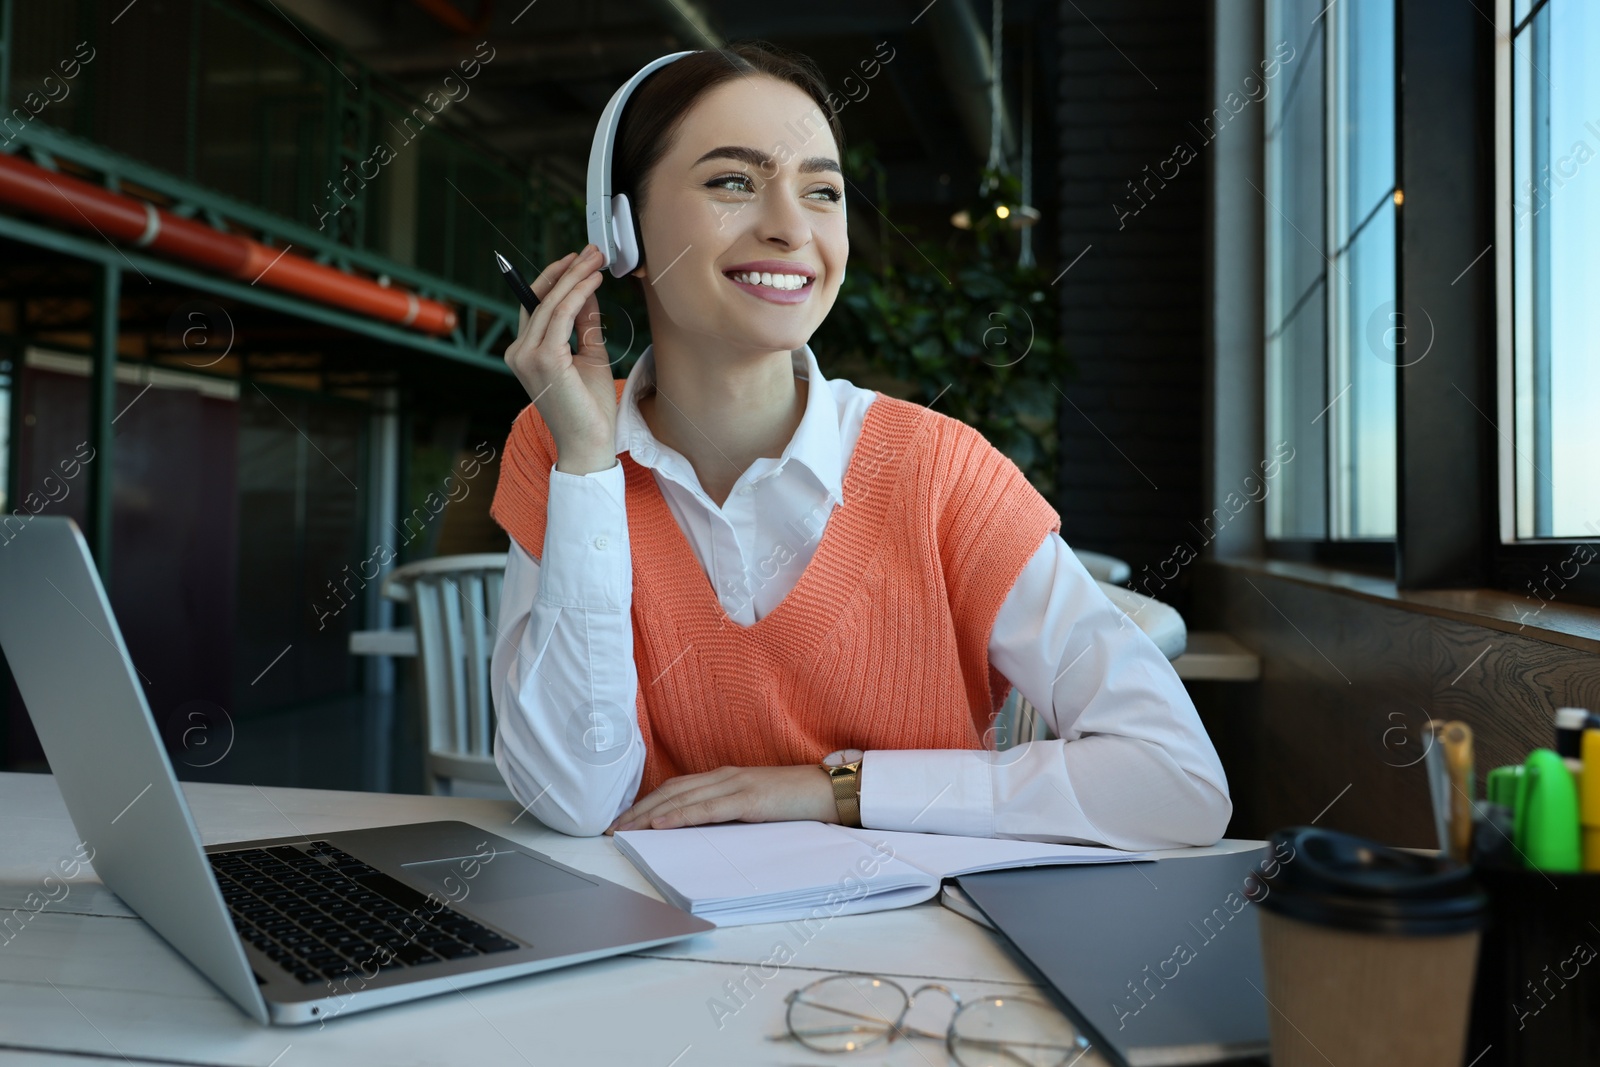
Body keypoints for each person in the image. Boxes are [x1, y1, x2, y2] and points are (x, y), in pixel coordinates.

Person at [487, 40, 1230, 850]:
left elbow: (1179, 781)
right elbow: (575, 797)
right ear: (619, 230)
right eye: (733, 182)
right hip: (664, 952)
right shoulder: (565, 444)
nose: (789, 228)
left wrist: (832, 789)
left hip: (916, 961)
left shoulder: (941, 470)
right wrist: (590, 463)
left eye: (822, 192)